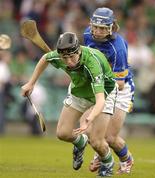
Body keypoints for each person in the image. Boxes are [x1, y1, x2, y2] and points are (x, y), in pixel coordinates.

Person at [21, 32, 119, 177]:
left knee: (96, 142)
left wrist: (88, 120)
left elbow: (100, 101)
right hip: (79, 91)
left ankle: (107, 162)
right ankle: (80, 143)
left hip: (104, 93)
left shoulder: (92, 63)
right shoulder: (61, 55)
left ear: (78, 51)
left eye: (72, 57)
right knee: (63, 133)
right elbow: (45, 58)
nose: (68, 62)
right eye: (64, 58)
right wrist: (31, 83)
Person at [83, 7, 135, 174]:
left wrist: (96, 76)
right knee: (90, 133)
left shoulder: (117, 47)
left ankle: (126, 159)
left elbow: (119, 83)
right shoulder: (87, 35)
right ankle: (102, 154)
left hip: (121, 89)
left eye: (103, 28)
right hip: (101, 86)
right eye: (95, 27)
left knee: (110, 137)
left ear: (111, 27)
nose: (97, 32)